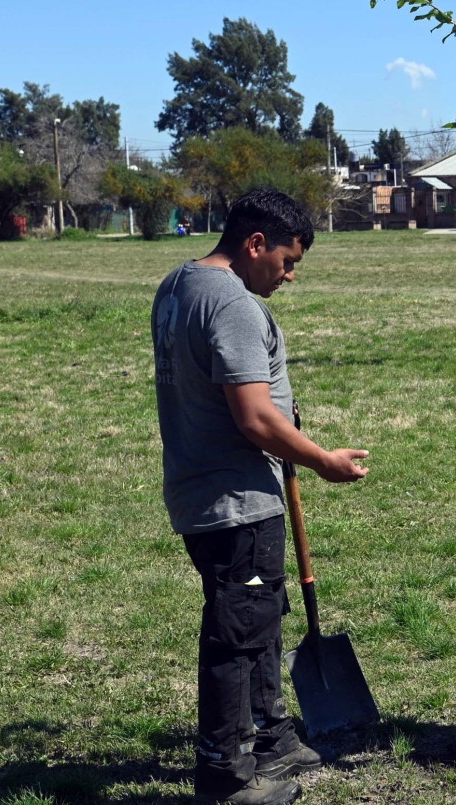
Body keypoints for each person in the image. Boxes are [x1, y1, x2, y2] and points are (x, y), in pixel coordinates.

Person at [152, 188, 370, 805]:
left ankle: (270, 737)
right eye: (287, 260)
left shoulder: (178, 285)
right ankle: (225, 774)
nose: (290, 274)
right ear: (255, 244)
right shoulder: (232, 304)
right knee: (238, 631)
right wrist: (321, 458)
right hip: (236, 501)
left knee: (258, 617)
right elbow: (253, 417)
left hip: (203, 491)